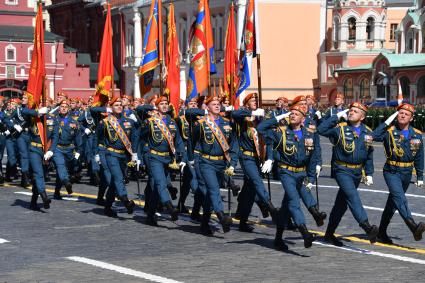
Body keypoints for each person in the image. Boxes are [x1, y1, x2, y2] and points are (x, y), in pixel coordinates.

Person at [259, 104, 321, 250]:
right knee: (293, 201)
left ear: (303, 119)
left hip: (301, 173)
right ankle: (305, 233)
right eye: (291, 113)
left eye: (296, 114)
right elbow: (261, 128)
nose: (292, 115)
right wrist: (279, 117)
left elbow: (312, 157)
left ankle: (278, 239)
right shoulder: (280, 132)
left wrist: (311, 178)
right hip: (286, 172)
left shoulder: (308, 134)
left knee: (286, 207)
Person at [318, 102, 378, 246]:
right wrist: (336, 117)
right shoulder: (339, 129)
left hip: (357, 172)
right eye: (350, 110)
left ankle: (329, 234)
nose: (351, 113)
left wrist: (369, 173)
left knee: (341, 204)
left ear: (362, 117)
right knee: (352, 196)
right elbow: (321, 129)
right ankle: (366, 226)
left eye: (355, 111)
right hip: (342, 169)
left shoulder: (367, 133)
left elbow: (369, 154)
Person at [186, 95, 238, 235]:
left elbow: (233, 144)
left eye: (218, 104)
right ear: (207, 107)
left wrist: (232, 163)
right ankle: (222, 217)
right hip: (206, 162)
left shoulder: (227, 123)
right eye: (213, 104)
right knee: (214, 189)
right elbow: (191, 140)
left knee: (210, 194)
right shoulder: (201, 123)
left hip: (221, 163)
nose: (216, 106)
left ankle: (204, 224)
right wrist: (191, 158)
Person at [372, 103, 425, 243]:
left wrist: (420, 176)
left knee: (393, 203)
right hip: (391, 171)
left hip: (407, 172)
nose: (402, 115)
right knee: (400, 198)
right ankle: (413, 226)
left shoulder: (417, 135)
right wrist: (388, 121)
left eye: (406, 114)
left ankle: (381, 232)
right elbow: (373, 136)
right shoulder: (389, 131)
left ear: (412, 118)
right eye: (400, 113)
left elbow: (419, 156)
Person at [231, 93, 279, 232]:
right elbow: (234, 114)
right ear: (246, 103)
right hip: (247, 157)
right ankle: (270, 207)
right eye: (252, 100)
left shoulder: (263, 118)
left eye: (256, 100)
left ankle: (243, 220)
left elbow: (269, 141)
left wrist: (269, 158)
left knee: (249, 191)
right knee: (257, 182)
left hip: (259, 158)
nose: (255, 102)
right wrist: (252, 112)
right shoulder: (244, 117)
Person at [140, 95, 186, 226]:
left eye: (166, 103)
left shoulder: (172, 122)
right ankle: (170, 207)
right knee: (161, 183)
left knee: (156, 187)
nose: (165, 105)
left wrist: (181, 155)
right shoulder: (150, 121)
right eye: (162, 104)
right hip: (154, 157)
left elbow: (178, 140)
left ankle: (150, 215)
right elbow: (141, 137)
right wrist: (138, 155)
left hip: (167, 158)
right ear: (157, 107)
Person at [93, 97, 139, 217]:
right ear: (111, 107)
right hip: (111, 154)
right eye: (116, 105)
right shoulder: (105, 122)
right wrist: (97, 153)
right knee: (118, 177)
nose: (119, 106)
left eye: (120, 105)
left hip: (123, 155)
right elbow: (97, 138)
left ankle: (108, 207)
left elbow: (134, 138)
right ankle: (126, 201)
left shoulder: (129, 121)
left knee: (114, 182)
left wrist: (134, 154)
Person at [50, 100, 82, 199]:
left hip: (70, 150)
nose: (63, 108)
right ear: (59, 108)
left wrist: (78, 151)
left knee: (65, 170)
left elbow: (78, 138)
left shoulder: (74, 122)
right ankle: (67, 182)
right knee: (61, 166)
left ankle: (57, 191)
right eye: (62, 106)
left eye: (66, 106)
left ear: (68, 109)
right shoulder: (53, 120)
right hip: (57, 148)